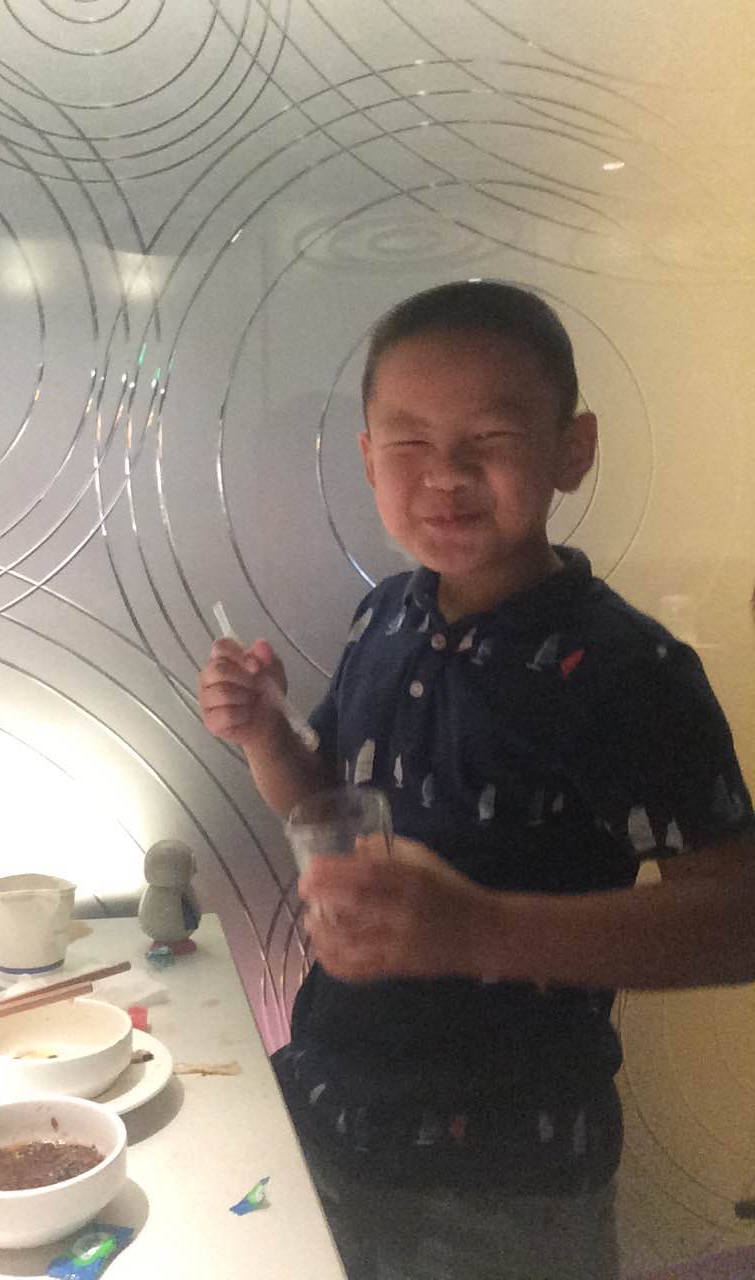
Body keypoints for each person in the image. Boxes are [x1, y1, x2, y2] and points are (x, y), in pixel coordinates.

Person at [197, 281, 755, 1280]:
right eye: (408, 441)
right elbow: (325, 809)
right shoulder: (386, 619)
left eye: (490, 436)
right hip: (328, 1109)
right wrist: (266, 734)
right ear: (368, 458)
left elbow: (737, 918)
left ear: (572, 449)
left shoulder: (629, 669)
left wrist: (477, 929)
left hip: (506, 1174)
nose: (447, 474)